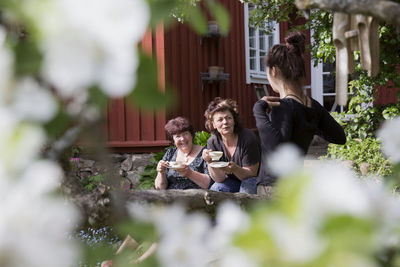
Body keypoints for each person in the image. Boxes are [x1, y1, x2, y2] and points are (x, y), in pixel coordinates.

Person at [253, 32, 346, 195]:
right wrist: (307, 124)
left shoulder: (283, 106)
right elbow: (339, 136)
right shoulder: (312, 106)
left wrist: (258, 110)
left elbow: (275, 148)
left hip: (273, 188)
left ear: (273, 71)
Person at [202, 97, 260, 193]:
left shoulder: (248, 138)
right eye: (220, 120)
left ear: (234, 120)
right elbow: (219, 179)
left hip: (254, 180)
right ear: (213, 124)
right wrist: (209, 162)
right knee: (216, 189)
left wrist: (235, 169)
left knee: (246, 190)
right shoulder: (213, 142)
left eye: (228, 118)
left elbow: (252, 173)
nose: (225, 122)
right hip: (233, 181)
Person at [155, 117, 212, 190]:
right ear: (173, 140)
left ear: (191, 135)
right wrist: (161, 172)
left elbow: (208, 184)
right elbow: (160, 188)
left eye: (185, 134)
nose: (182, 139)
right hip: (172, 198)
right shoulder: (170, 153)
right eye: (178, 136)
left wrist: (189, 173)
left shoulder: (204, 153)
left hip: (196, 198)